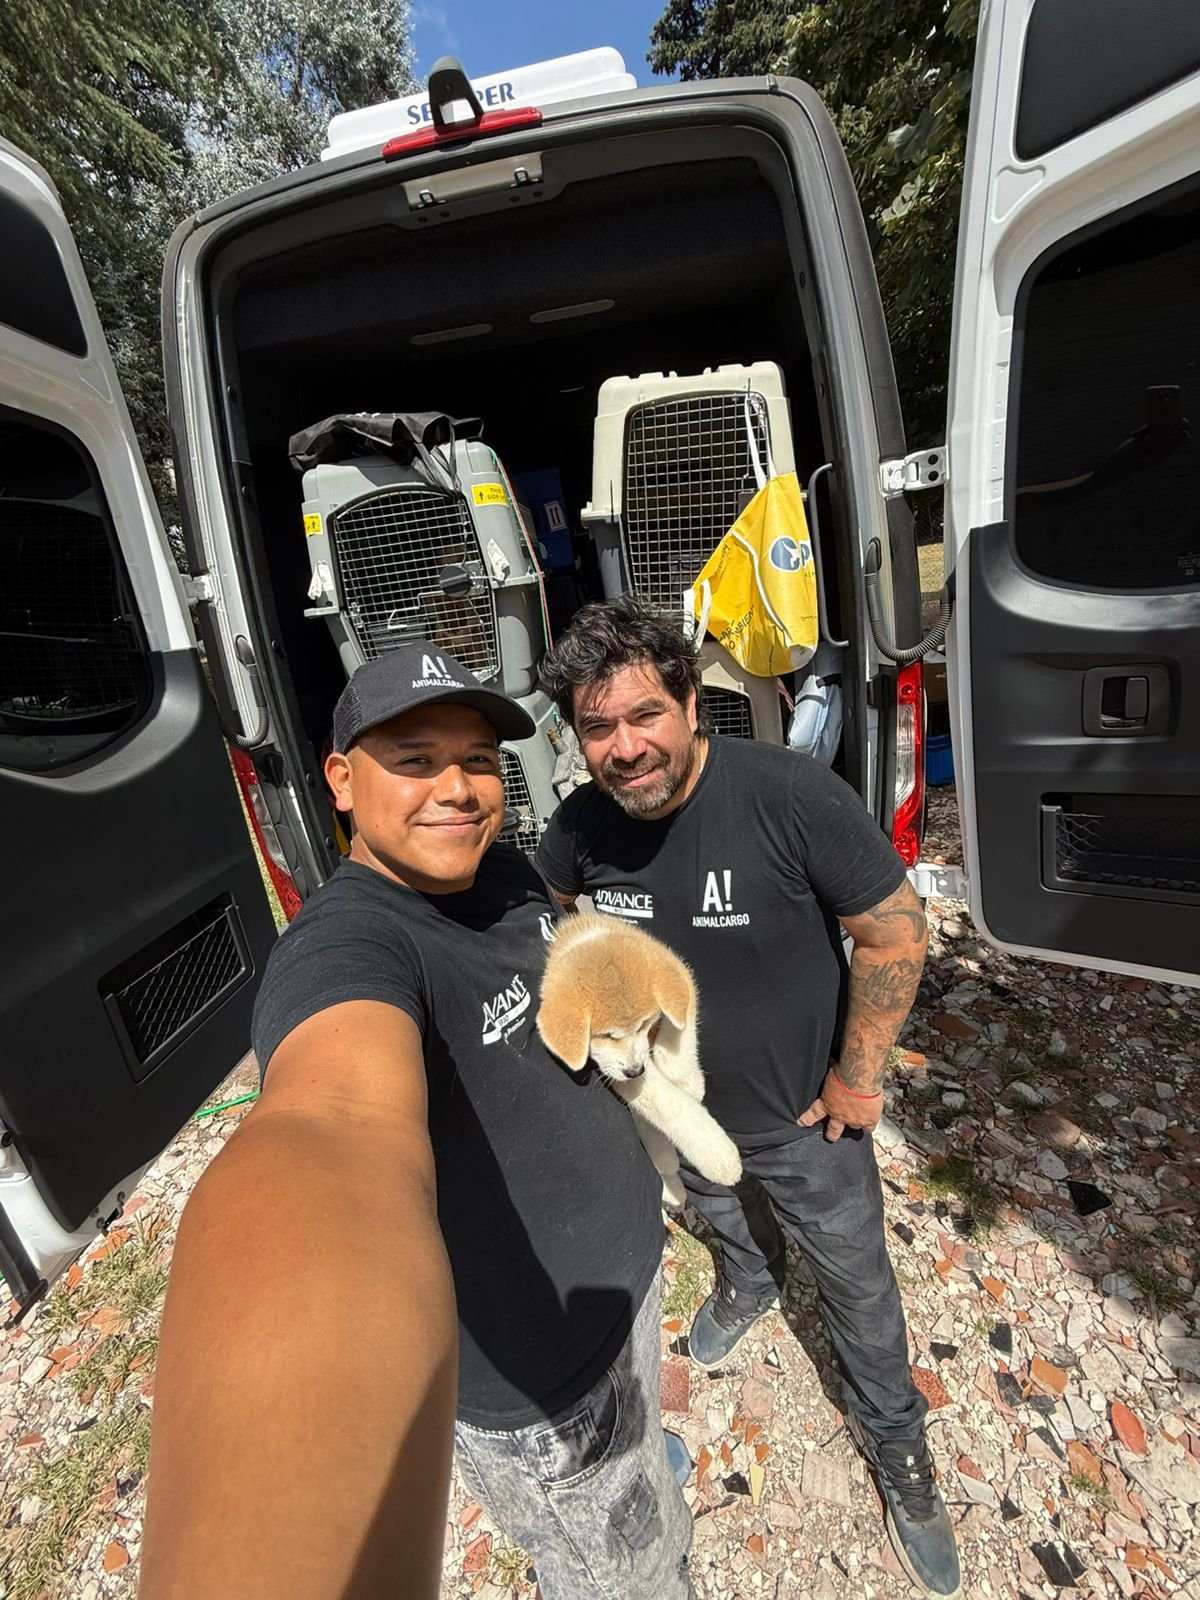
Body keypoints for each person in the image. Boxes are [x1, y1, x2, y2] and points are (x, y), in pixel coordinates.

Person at [139, 644, 691, 1600]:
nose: (461, 788)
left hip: (627, 1284)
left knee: (639, 1481)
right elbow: (331, 1130)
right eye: (416, 757)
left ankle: (647, 1472)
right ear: (343, 781)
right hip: (542, 1381)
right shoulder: (352, 943)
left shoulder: (509, 872)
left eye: (480, 759)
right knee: (624, 1572)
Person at [535, 597, 961, 1600]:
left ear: (691, 703)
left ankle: (900, 1444)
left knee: (858, 1287)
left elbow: (896, 931)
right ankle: (749, 1280)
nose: (626, 748)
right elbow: (550, 918)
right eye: (599, 728)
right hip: (680, 1114)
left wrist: (858, 1078)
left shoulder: (790, 795)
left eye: (645, 715)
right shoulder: (579, 825)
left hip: (808, 1123)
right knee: (721, 1214)